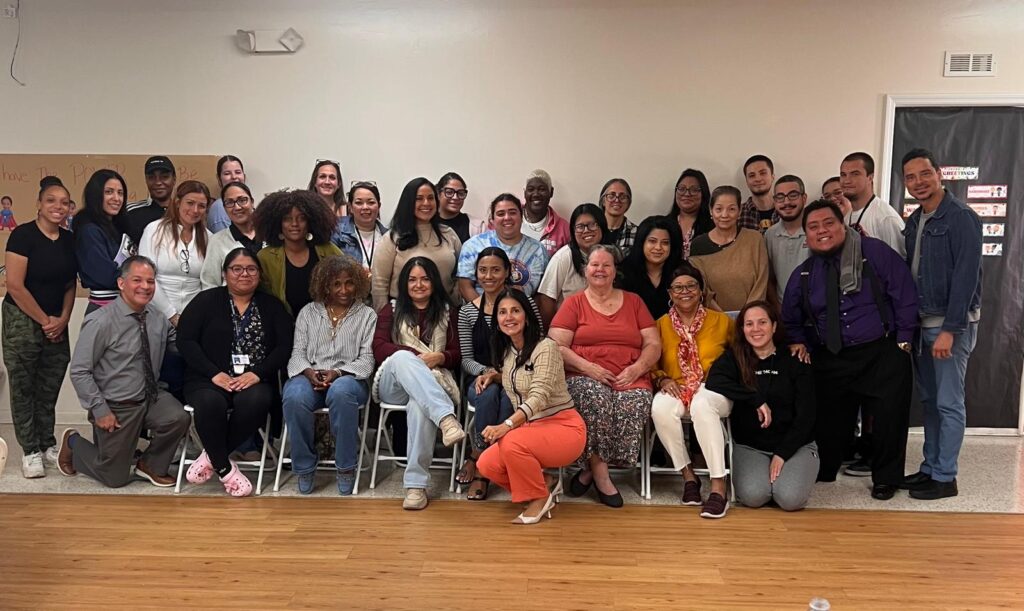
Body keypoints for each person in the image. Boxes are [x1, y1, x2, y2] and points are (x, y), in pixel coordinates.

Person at [781, 199, 918, 501]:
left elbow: (904, 293)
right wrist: (799, 342)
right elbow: (790, 318)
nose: (822, 231)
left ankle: (886, 478)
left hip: (882, 351)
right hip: (832, 357)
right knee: (829, 421)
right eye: (813, 227)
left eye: (828, 223)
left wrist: (904, 340)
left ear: (842, 225)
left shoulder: (874, 252)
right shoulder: (804, 273)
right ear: (806, 236)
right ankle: (826, 468)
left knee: (889, 420)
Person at [59, 256, 190, 488]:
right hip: (117, 405)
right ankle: (73, 443)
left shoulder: (158, 318)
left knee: (178, 417)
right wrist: (100, 409)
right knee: (114, 478)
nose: (145, 287)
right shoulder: (100, 321)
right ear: (121, 283)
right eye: (137, 280)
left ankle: (151, 465)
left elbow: (180, 345)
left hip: (151, 397)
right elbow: (80, 371)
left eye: (150, 281)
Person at [549, 245, 661, 508]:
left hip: (629, 374)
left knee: (634, 402)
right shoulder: (574, 303)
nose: (600, 270)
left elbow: (653, 344)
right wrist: (589, 368)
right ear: (585, 270)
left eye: (606, 265)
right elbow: (556, 345)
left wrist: (637, 369)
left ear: (614, 271)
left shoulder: (634, 302)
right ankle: (602, 477)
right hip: (584, 374)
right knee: (596, 399)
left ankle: (590, 470)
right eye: (594, 265)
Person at [901, 148, 983, 500]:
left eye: (924, 174)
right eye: (910, 177)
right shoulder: (915, 220)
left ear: (939, 174)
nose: (918, 182)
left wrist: (950, 329)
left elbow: (966, 277)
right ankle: (930, 468)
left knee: (948, 402)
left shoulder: (961, 217)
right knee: (930, 401)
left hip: (949, 325)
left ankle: (946, 477)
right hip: (922, 323)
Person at [178, 249, 294, 497]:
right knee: (210, 403)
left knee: (258, 400)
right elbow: (185, 341)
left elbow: (284, 347)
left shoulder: (272, 306)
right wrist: (214, 373)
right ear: (225, 273)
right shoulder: (205, 301)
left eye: (251, 269)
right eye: (237, 269)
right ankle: (225, 470)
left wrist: (257, 374)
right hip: (208, 378)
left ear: (259, 274)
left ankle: (211, 457)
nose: (244, 274)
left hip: (253, 380)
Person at [476, 290, 587, 523]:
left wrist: (506, 425)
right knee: (486, 464)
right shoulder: (508, 350)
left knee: (510, 441)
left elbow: (539, 395)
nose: (509, 317)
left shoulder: (546, 347)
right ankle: (544, 483)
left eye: (515, 311)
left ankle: (539, 498)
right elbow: (520, 377)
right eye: (502, 312)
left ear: (527, 316)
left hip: (563, 427)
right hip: (531, 429)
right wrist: (495, 376)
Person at [371, 257, 466, 510]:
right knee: (401, 356)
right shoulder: (391, 309)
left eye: (425, 279)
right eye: (412, 279)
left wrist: (441, 357)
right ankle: (446, 419)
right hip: (394, 385)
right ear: (404, 283)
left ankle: (415, 486)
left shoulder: (448, 312)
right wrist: (417, 357)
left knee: (419, 405)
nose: (419, 285)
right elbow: (379, 348)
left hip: (430, 386)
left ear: (434, 282)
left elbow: (458, 354)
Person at [705, 301, 818, 513]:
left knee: (790, 499)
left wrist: (782, 454)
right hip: (751, 446)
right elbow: (714, 381)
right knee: (753, 496)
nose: (755, 329)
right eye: (749, 324)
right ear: (742, 329)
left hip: (795, 445)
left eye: (762, 322)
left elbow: (807, 416)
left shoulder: (795, 358)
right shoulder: (735, 357)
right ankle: (769, 482)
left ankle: (787, 478)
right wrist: (754, 399)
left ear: (774, 326)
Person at [282, 254, 377, 495]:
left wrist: (337, 373)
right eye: (336, 284)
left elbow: (367, 359)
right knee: (294, 396)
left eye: (349, 283)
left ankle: (345, 467)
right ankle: (304, 466)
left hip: (350, 378)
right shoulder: (308, 313)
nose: (343, 290)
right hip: (310, 375)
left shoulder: (367, 315)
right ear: (325, 285)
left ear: (358, 283)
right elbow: (297, 353)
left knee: (341, 392)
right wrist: (308, 372)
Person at [3, 177, 77, 479]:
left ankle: (47, 442)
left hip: (57, 321)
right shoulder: (23, 236)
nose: (58, 207)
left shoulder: (69, 240)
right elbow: (15, 285)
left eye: (64, 202)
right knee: (24, 387)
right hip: (22, 319)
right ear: (39, 204)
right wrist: (45, 321)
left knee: (49, 385)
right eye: (51, 200)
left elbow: (70, 283)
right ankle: (30, 450)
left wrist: (64, 318)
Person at [456, 248, 543, 500]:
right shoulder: (467, 312)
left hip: (518, 375)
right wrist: (487, 371)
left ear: (507, 272)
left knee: (507, 397)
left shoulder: (524, 304)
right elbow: (466, 359)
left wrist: (505, 373)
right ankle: (486, 460)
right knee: (487, 394)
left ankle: (479, 460)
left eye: (495, 270)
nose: (488, 276)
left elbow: (538, 343)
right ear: (476, 274)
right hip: (481, 377)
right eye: (483, 270)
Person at [649, 264, 733, 506]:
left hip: (714, 388)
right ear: (670, 293)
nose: (684, 291)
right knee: (660, 408)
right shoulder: (660, 325)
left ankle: (718, 485)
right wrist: (662, 378)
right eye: (678, 287)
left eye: (691, 286)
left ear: (701, 290)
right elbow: (651, 363)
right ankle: (688, 476)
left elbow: (740, 357)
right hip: (676, 385)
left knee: (702, 405)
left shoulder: (722, 322)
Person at [370, 177, 462, 311]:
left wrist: (454, 303)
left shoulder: (448, 234)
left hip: (444, 312)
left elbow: (461, 275)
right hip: (402, 313)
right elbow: (379, 284)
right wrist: (385, 317)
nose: (426, 203)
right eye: (419, 198)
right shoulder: (392, 238)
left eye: (430, 198)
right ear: (408, 202)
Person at [255, 189, 342, 316]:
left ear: (311, 222)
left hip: (325, 322)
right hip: (283, 323)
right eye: (287, 219)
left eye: (301, 218)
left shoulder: (328, 250)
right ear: (278, 223)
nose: (294, 224)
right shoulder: (265, 257)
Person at [138, 180, 212, 327]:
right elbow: (147, 277)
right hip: (156, 315)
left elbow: (209, 283)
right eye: (190, 203)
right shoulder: (154, 230)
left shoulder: (208, 237)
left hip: (194, 319)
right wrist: (171, 314)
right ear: (178, 202)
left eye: (201, 206)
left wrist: (199, 315)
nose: (195, 210)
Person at [688, 186, 769, 314]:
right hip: (714, 318)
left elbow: (762, 282)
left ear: (739, 211)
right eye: (719, 209)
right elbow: (702, 288)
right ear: (711, 210)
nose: (724, 215)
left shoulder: (754, 239)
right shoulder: (699, 245)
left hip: (753, 318)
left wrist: (746, 317)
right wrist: (724, 319)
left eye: (731, 209)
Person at [456, 193, 548, 300]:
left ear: (522, 217)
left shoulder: (538, 250)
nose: (507, 218)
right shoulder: (473, 246)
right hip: (478, 309)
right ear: (492, 219)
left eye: (512, 213)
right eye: (500, 214)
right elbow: (465, 286)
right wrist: (484, 309)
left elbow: (542, 293)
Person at [535, 203, 609, 326]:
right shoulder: (563, 258)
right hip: (570, 327)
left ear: (602, 226)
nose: (586, 231)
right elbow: (546, 299)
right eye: (580, 227)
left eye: (592, 225)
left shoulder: (611, 255)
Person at [74, 169, 132, 313]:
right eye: (109, 192)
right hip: (104, 307)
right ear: (95, 194)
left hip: (124, 304)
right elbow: (106, 276)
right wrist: (138, 278)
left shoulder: (118, 226)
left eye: (120, 193)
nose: (116, 198)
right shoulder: (89, 230)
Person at [617, 215, 683, 320]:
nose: (658, 247)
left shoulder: (683, 271)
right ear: (642, 242)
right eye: (652, 241)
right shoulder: (623, 272)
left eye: (665, 243)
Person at [840, 152, 906, 256]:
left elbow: (899, 262)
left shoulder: (886, 218)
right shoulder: (847, 218)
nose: (846, 181)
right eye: (843, 175)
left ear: (870, 178)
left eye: (855, 174)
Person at [201, 182, 263, 290]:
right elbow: (209, 284)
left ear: (252, 202)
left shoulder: (269, 235)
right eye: (229, 202)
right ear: (224, 208)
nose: (237, 207)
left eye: (242, 200)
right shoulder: (217, 241)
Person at [764, 174, 810, 301]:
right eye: (780, 197)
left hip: (816, 308)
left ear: (804, 198)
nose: (787, 202)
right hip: (783, 308)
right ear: (774, 201)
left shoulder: (816, 230)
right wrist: (777, 306)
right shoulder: (770, 235)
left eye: (793, 195)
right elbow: (768, 278)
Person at [332, 181, 387, 269]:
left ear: (379, 206)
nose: (365, 207)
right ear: (350, 207)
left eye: (371, 202)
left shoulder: (388, 237)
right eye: (359, 203)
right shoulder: (336, 231)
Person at [125, 156, 177, 248]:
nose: (158, 182)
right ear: (146, 180)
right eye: (151, 177)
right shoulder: (130, 211)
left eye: (164, 177)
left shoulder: (184, 212)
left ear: (174, 179)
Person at [666, 168, 714, 259]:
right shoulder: (664, 225)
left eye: (694, 190)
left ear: (704, 193)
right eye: (681, 189)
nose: (687, 194)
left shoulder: (713, 227)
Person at [521, 169, 570, 257]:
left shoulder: (563, 228)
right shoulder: (511, 219)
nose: (536, 194)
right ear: (525, 193)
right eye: (531, 189)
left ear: (551, 192)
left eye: (542, 189)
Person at [436, 171, 485, 243]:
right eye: (449, 192)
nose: (455, 197)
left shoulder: (477, 227)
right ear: (438, 193)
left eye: (461, 193)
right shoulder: (427, 223)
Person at [206, 155, 246, 233]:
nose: (234, 177)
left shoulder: (247, 203)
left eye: (238, 172)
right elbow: (224, 239)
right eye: (227, 173)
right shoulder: (220, 208)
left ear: (244, 176)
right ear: (219, 179)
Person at [738, 154, 778, 233]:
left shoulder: (786, 209)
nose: (758, 179)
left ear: (772, 177)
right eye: (752, 175)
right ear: (746, 181)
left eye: (763, 173)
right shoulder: (738, 214)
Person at [599, 178, 638, 256]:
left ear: (628, 203)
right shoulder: (592, 229)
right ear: (603, 201)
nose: (617, 200)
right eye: (611, 196)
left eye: (622, 197)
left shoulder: (636, 233)